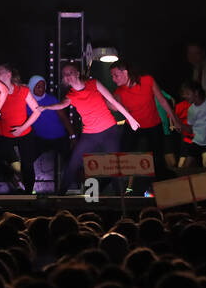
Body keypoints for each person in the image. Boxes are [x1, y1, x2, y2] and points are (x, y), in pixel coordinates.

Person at [15, 61, 139, 195]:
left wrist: (130, 119)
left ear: (77, 73)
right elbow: (61, 105)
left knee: (114, 165)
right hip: (90, 134)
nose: (68, 76)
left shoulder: (93, 84)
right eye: (65, 74)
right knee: (73, 164)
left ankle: (119, 198)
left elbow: (114, 101)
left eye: (70, 73)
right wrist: (45, 107)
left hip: (109, 130)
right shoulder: (71, 95)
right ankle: (60, 196)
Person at [109, 60, 180, 192]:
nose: (113, 79)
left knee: (157, 161)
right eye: (112, 76)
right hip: (134, 126)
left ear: (125, 73)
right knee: (123, 154)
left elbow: (163, 101)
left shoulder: (147, 80)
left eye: (115, 75)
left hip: (154, 125)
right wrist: (107, 101)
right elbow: (113, 105)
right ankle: (120, 189)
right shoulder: (119, 91)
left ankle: (164, 188)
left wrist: (175, 119)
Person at [0, 65, 43, 193]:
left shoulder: (23, 91)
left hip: (24, 133)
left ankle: (29, 194)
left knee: (27, 165)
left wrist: (22, 128)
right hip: (5, 135)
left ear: (8, 74)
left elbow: (37, 112)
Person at [27, 75, 73, 192]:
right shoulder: (27, 102)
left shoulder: (51, 100)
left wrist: (73, 136)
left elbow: (64, 118)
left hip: (59, 138)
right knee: (26, 162)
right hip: (41, 139)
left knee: (74, 162)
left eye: (43, 86)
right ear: (32, 87)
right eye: (38, 86)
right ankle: (27, 191)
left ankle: (68, 192)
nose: (41, 89)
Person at [177, 78, 206, 169]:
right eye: (184, 94)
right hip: (197, 141)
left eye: (187, 93)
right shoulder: (191, 109)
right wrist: (181, 126)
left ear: (196, 92)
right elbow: (190, 130)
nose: (185, 96)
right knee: (187, 166)